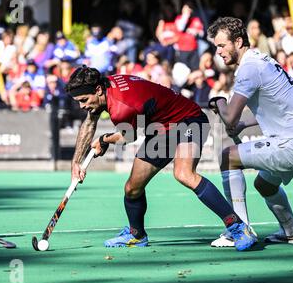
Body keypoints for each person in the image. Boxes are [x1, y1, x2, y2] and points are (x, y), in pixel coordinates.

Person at [64, 65, 256, 251]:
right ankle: (136, 235)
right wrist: (76, 163)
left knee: (184, 173)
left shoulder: (122, 106)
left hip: (189, 120)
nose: (82, 106)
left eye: (84, 100)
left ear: (98, 90)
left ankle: (237, 226)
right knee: (132, 188)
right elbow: (89, 123)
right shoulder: (106, 85)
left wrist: (104, 140)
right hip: (161, 130)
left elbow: (128, 137)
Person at [207, 17, 293, 247]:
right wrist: (242, 126)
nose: (218, 52)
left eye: (221, 45)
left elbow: (229, 116)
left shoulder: (249, 68)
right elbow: (275, 108)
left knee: (228, 157)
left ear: (238, 41)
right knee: (265, 185)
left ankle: (240, 230)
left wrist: (218, 101)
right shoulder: (261, 61)